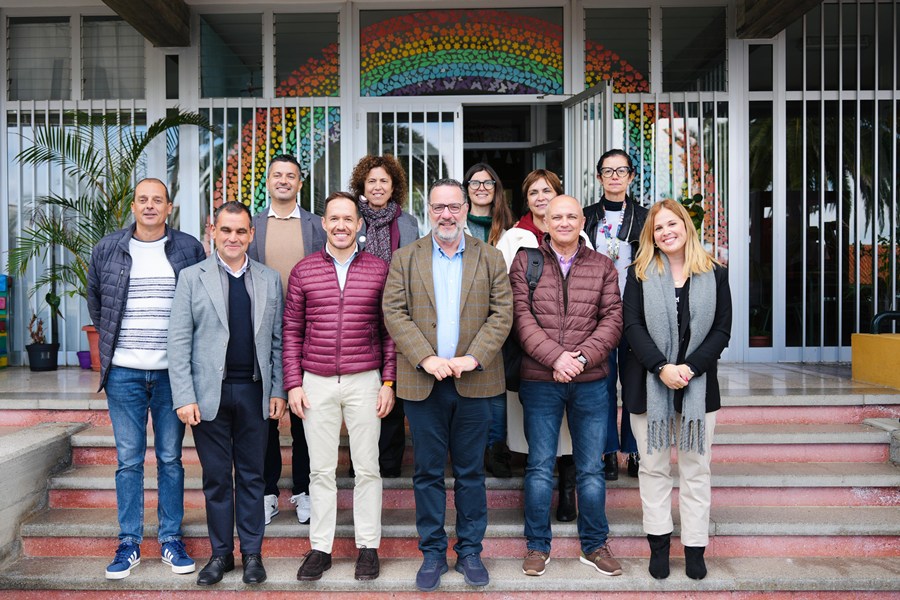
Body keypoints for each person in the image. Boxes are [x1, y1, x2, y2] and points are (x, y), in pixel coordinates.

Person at [382, 179, 512, 592]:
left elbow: (502, 314)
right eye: (438, 207)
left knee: (472, 473)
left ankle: (471, 551)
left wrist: (472, 358)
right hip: (423, 383)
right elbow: (394, 312)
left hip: (476, 381)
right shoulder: (406, 258)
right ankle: (433, 553)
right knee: (427, 473)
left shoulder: (490, 258)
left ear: (464, 207)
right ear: (429, 209)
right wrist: (428, 357)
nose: (447, 215)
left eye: (454, 206)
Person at [87, 178, 204, 580]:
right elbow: (98, 303)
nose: (150, 206)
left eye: (158, 200)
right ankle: (129, 542)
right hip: (124, 373)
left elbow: (200, 305)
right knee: (129, 460)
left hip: (173, 374)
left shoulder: (189, 248)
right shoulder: (108, 248)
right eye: (143, 200)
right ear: (133, 206)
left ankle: (170, 539)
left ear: (169, 207)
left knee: (171, 459)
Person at [169, 201, 286, 586]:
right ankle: (222, 555)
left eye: (240, 231)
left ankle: (252, 553)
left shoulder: (270, 279)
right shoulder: (191, 277)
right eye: (226, 230)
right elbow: (179, 341)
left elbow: (277, 341)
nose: (233, 238)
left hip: (255, 392)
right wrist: (184, 396)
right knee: (217, 478)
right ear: (212, 232)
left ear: (251, 234)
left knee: (253, 477)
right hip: (208, 396)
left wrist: (279, 390)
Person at [282, 191, 396, 582]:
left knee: (367, 468)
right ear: (324, 224)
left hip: (365, 379)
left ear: (360, 224)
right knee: (320, 470)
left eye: (349, 218)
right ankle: (321, 548)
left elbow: (389, 333)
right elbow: (291, 331)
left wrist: (389, 381)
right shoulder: (304, 270)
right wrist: (293, 384)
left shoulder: (379, 269)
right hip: (316, 381)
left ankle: (368, 548)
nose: (342, 225)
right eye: (334, 219)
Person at [511, 195, 623, 578]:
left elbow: (612, 319)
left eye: (571, 216)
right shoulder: (526, 261)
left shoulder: (603, 265)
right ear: (544, 222)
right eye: (555, 216)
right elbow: (520, 318)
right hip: (540, 380)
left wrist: (579, 360)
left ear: (582, 222)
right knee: (540, 466)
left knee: (591, 469)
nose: (563, 222)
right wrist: (556, 358)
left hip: (590, 381)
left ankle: (594, 545)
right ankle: (537, 546)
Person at [622, 199, 732, 581]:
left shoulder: (715, 274)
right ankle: (659, 546)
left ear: (686, 226)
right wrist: (662, 367)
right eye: (658, 228)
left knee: (695, 470)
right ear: (650, 235)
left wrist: (689, 368)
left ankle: (695, 549)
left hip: (697, 386)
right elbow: (632, 327)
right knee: (652, 468)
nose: (666, 232)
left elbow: (722, 330)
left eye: (673, 224)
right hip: (649, 385)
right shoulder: (639, 273)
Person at [496, 169, 588, 522]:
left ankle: (567, 493)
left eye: (546, 191)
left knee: (569, 428)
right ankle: (536, 497)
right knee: (535, 428)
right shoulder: (514, 237)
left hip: (575, 353)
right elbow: (505, 295)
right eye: (533, 191)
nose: (540, 197)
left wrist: (573, 353)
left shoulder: (581, 237)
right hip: (530, 348)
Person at [249, 154, 326, 527]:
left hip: (307, 332)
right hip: (259, 335)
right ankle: (267, 492)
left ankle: (304, 491)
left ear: (300, 182)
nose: (284, 180)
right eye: (277, 175)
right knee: (264, 418)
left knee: (303, 417)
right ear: (269, 181)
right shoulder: (251, 226)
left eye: (290, 175)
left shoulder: (316, 226)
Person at [349, 154, 419, 478]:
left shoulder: (408, 222)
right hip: (358, 317)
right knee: (362, 391)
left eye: (384, 181)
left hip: (397, 315)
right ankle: (359, 462)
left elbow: (416, 271)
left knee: (393, 388)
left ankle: (389, 464)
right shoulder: (351, 218)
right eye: (372, 181)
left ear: (394, 186)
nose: (378, 187)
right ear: (362, 184)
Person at [584, 149, 648, 480]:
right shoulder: (586, 217)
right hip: (598, 316)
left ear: (631, 177)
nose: (614, 176)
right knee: (603, 385)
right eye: (607, 171)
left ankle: (635, 450)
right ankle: (607, 450)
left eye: (621, 170)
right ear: (599, 177)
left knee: (635, 384)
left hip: (636, 313)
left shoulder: (645, 218)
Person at [462, 162, 516, 478]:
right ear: (466, 189)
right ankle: (473, 449)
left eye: (488, 182)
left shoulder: (511, 233)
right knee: (466, 386)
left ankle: (496, 450)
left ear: (497, 190)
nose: (481, 187)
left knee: (496, 388)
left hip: (499, 319)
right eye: (475, 182)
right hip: (465, 320)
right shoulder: (454, 226)